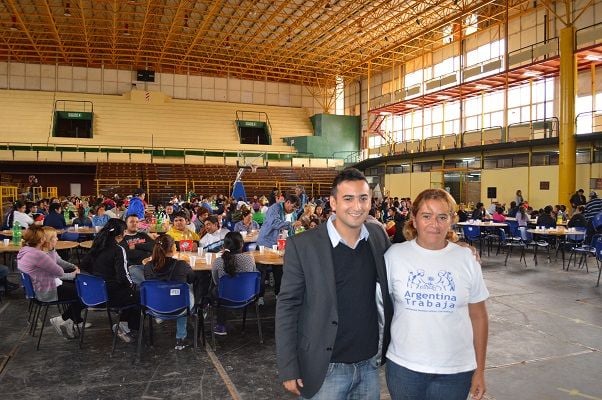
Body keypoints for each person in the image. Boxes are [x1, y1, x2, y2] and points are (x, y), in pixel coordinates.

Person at [276, 168, 393, 399]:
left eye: (363, 198)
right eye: (348, 198)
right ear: (333, 202)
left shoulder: (377, 236)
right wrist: (288, 366)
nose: (357, 206)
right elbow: (288, 306)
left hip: (369, 365)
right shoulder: (303, 245)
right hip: (325, 368)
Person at [384, 188, 489, 400]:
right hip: (404, 368)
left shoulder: (466, 259)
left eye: (442, 217)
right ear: (414, 219)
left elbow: (479, 317)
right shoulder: (394, 256)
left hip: (455, 371)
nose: (435, 224)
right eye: (426, 216)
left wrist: (479, 370)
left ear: (451, 220)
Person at [16, 225, 84, 339]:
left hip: (37, 288)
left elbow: (57, 266)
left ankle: (71, 320)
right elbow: (59, 272)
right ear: (41, 240)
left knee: (78, 288)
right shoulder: (38, 255)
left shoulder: (25, 250)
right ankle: (63, 319)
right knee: (85, 293)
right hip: (47, 291)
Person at [80, 218, 140, 343]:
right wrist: (131, 285)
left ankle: (123, 323)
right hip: (109, 295)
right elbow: (123, 276)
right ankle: (126, 327)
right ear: (120, 234)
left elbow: (84, 266)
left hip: (93, 294)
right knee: (138, 295)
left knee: (130, 293)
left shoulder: (97, 245)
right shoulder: (118, 249)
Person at [143, 235, 195, 350]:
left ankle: (161, 316)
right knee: (184, 293)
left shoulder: (147, 266)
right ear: (172, 248)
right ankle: (181, 338)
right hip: (179, 306)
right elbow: (192, 279)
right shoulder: (181, 265)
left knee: (175, 294)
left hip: (154, 307)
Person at [210, 232, 258, 336]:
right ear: (242, 244)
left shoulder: (218, 261)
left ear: (224, 245)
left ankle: (220, 325)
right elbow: (253, 274)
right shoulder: (250, 259)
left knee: (216, 289)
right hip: (248, 296)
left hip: (225, 296)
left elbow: (215, 280)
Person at [120, 214, 155, 284]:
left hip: (150, 264)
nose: (135, 224)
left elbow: (154, 247)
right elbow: (128, 254)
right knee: (147, 284)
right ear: (125, 224)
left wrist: (136, 246)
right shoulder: (122, 238)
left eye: (137, 222)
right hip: (134, 266)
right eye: (132, 222)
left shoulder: (143, 235)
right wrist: (145, 248)